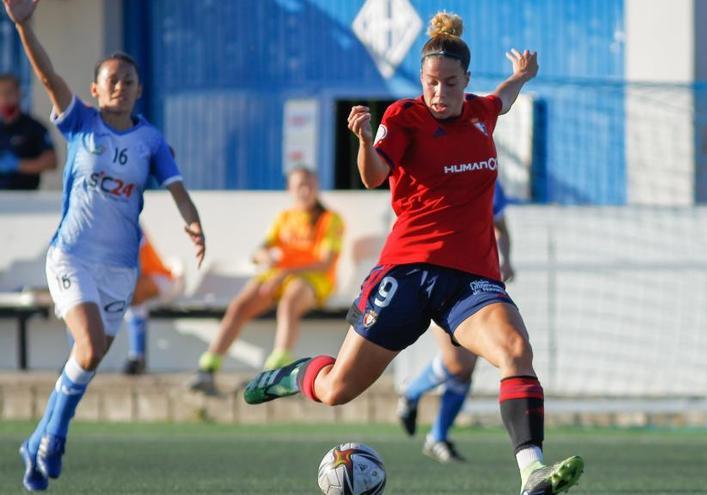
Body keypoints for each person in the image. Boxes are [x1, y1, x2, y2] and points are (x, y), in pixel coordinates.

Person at [242, 12, 583, 495]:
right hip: (406, 273)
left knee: (515, 351)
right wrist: (363, 140)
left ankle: (532, 474)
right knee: (337, 390)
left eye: (449, 83)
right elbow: (374, 174)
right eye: (430, 83)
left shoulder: (482, 113)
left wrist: (521, 77)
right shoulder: (404, 116)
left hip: (469, 280)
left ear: (466, 81)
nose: (438, 93)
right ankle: (293, 375)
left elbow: (502, 101)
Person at [4, 0, 206, 491]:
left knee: (89, 358)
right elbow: (48, 75)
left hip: (120, 269)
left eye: (129, 80)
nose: (120, 85)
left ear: (139, 91)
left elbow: (175, 185)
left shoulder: (150, 140)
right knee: (91, 344)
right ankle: (53, 437)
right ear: (95, 89)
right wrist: (25, 25)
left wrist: (193, 222)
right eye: (110, 79)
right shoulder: (81, 124)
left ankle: (39, 440)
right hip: (71, 255)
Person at [188, 167, 344, 395]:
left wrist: (284, 273)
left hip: (313, 280)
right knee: (240, 305)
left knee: (290, 300)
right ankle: (207, 368)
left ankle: (276, 373)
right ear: (290, 189)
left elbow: (325, 263)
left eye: (309, 184)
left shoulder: (330, 219)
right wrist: (264, 256)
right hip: (278, 277)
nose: (305, 190)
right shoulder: (284, 218)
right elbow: (261, 250)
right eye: (299, 185)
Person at [398, 181, 515, 463]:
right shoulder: (437, 172)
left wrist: (506, 259)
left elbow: (501, 225)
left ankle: (438, 436)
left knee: (466, 367)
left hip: (476, 282)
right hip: (441, 278)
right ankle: (412, 393)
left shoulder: (485, 175)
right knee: (457, 363)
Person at [121, 228, 182, 375]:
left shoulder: (129, 223)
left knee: (134, 292)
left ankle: (137, 356)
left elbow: (136, 267)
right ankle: (79, 354)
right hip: (137, 284)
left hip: (163, 278)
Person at [0, 72, 56, 189]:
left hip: (26, 198)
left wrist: (18, 165)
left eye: (8, 93)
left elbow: (51, 161)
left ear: (19, 93)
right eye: (0, 94)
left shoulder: (34, 127)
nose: (4, 98)